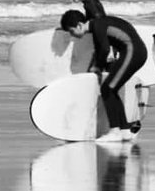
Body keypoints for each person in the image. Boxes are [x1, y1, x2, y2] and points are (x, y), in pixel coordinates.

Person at [60, 8, 149, 142]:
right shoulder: (97, 25)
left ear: (79, 25)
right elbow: (101, 49)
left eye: (72, 31)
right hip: (135, 52)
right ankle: (124, 131)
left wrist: (98, 66)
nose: (73, 35)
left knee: (107, 89)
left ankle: (115, 131)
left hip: (133, 52)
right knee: (111, 89)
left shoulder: (97, 26)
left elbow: (105, 49)